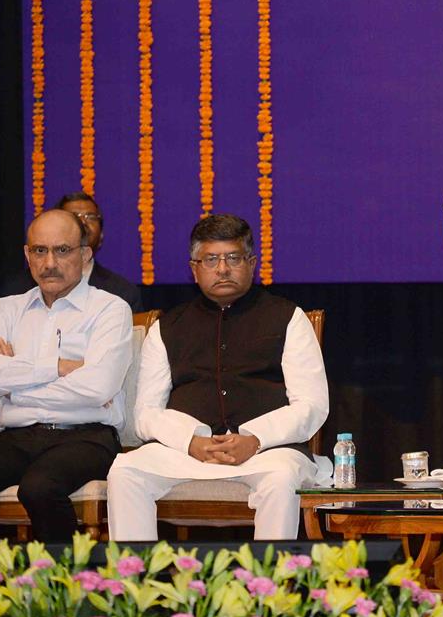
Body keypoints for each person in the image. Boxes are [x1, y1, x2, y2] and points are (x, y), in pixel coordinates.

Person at [106, 214, 330, 541]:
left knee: (281, 478)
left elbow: (312, 405)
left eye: (233, 258)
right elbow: (145, 414)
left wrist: (254, 438)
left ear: (252, 263)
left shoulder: (287, 317)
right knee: (125, 470)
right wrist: (190, 442)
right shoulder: (168, 327)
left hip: (268, 451)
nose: (222, 269)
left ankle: (268, 589)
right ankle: (134, 587)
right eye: (211, 259)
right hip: (188, 451)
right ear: (194, 268)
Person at [0, 209, 132, 541]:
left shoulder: (110, 310)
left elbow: (97, 388)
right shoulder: (6, 309)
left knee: (39, 487)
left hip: (86, 436)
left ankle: (68, 585)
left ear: (84, 255)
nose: (49, 263)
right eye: (40, 251)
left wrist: (13, 385)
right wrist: (57, 366)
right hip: (14, 437)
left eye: (62, 250)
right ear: (27, 255)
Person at [0, 192, 142, 311]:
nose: (83, 222)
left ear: (102, 235)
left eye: (90, 217)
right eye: (74, 216)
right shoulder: (15, 291)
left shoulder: (122, 293)